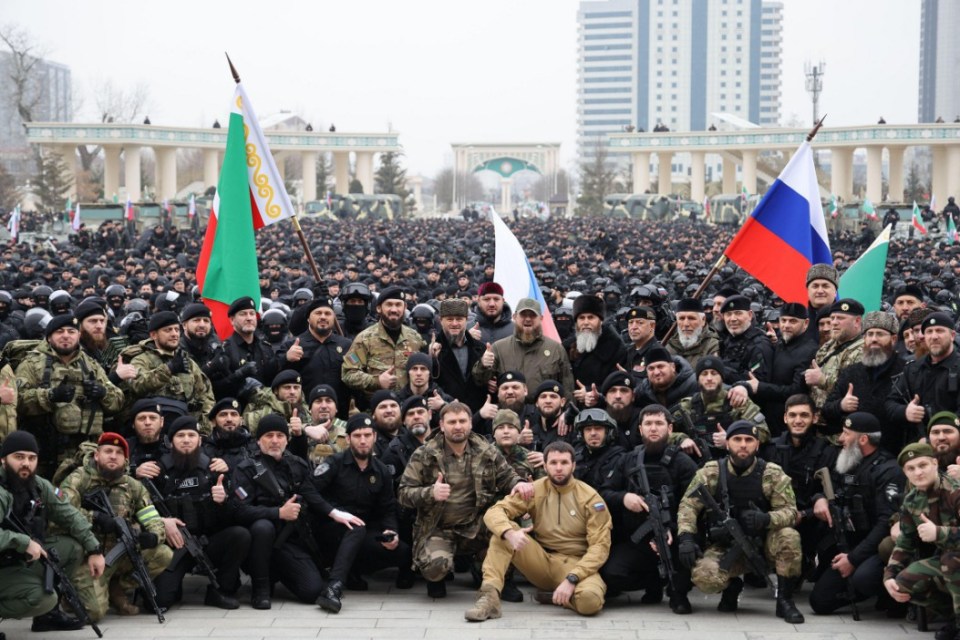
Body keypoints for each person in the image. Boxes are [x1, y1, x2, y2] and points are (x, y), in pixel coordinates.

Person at [397, 401, 533, 599]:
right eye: (452, 422)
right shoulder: (424, 454)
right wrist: (431, 493)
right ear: (442, 425)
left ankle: (501, 577)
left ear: (471, 423)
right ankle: (438, 578)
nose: (458, 426)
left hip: (476, 525)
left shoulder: (486, 451)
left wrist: (519, 483)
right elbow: (403, 494)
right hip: (439, 527)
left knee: (507, 528)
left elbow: (507, 477)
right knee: (436, 568)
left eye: (462, 421)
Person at [464, 441, 612, 621]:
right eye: (553, 463)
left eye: (564, 463)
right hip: (540, 560)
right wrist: (510, 533)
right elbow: (494, 512)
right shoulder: (535, 490)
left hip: (575, 564)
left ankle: (557, 596)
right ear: (545, 465)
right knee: (502, 534)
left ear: (573, 465)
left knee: (590, 602)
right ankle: (489, 599)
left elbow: (600, 547)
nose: (558, 468)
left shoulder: (590, 497)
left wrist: (572, 578)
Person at [676, 420, 805, 624]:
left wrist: (766, 519)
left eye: (749, 440)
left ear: (757, 445)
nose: (743, 444)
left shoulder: (772, 473)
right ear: (727, 444)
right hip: (726, 546)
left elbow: (791, 512)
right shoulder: (711, 472)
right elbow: (688, 506)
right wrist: (686, 537)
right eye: (737, 439)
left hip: (764, 545)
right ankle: (732, 587)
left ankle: (785, 600)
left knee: (789, 536)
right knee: (705, 578)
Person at [58, 432, 172, 620]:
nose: (113, 456)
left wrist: (153, 536)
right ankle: (71, 596)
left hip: (118, 555)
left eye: (119, 452)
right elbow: (63, 514)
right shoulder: (78, 479)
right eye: (108, 451)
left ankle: (116, 588)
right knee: (95, 614)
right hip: (88, 557)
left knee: (163, 554)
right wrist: (94, 517)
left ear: (125, 459)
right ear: (97, 455)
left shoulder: (133, 486)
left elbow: (152, 517)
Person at [0, 431, 106, 632]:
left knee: (71, 548)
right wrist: (23, 542)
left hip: (14, 559)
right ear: (3, 460)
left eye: (32, 458)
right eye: (19, 457)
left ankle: (48, 618)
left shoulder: (38, 485)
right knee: (42, 598)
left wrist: (95, 549)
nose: (26, 464)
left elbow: (69, 514)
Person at [311, 413, 414, 613]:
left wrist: (391, 532)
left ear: (374, 437)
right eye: (357, 436)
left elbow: (387, 508)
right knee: (357, 529)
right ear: (348, 439)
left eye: (367, 435)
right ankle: (334, 587)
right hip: (330, 529)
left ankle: (354, 570)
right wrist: (334, 513)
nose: (363, 440)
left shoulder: (381, 471)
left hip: (361, 531)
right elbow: (311, 492)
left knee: (402, 551)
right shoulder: (335, 463)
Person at [599, 405, 698, 612]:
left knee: (684, 568)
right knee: (611, 573)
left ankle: (677, 591)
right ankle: (652, 580)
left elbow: (695, 504)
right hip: (637, 539)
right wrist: (624, 497)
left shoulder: (683, 463)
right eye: (648, 424)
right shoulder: (628, 460)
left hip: (673, 538)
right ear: (640, 429)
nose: (654, 428)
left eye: (659, 423)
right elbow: (604, 493)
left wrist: (672, 527)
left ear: (670, 429)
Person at [808, 412, 904, 615]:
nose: (841, 438)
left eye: (846, 433)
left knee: (864, 579)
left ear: (863, 439)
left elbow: (885, 523)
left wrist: (853, 559)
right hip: (849, 541)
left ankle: (888, 595)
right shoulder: (848, 460)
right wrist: (819, 499)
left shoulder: (888, 470)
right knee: (820, 602)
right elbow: (825, 487)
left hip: (876, 547)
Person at [151, 416, 250, 610]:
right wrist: (162, 521)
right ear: (171, 441)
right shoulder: (158, 471)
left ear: (200, 440)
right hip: (175, 545)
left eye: (191, 435)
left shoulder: (213, 468)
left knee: (240, 535)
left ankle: (221, 590)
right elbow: (141, 507)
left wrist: (224, 499)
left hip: (207, 541)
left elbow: (235, 512)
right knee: (160, 600)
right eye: (180, 436)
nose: (186, 439)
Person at [229, 413, 326, 609]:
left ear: (287, 440)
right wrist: (277, 513)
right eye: (269, 435)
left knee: (312, 591)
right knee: (262, 527)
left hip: (287, 540)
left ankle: (278, 573)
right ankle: (261, 587)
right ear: (258, 440)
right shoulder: (246, 469)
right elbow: (239, 511)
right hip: (258, 541)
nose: (275, 441)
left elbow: (312, 498)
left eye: (280, 435)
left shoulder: (297, 465)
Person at [16, 313, 124, 477]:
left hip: (85, 452)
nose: (66, 336)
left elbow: (118, 400)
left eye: (71, 331)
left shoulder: (90, 365)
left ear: (79, 335)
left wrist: (103, 393)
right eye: (59, 331)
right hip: (45, 451)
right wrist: (49, 396)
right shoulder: (32, 364)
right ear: (49, 337)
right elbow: (17, 401)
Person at [883, 442, 960, 640]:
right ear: (905, 472)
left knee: (950, 559)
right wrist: (889, 576)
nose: (918, 472)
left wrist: (939, 534)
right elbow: (905, 542)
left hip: (953, 560)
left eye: (923, 465)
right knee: (904, 583)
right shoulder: (912, 500)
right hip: (948, 562)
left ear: (935, 463)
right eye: (911, 468)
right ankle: (954, 618)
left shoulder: (955, 491)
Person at [821, 311, 904, 453]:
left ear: (894, 339)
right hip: (854, 452)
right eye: (870, 334)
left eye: (880, 334)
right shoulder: (851, 372)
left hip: (892, 451)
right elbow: (827, 410)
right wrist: (841, 405)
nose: (874, 339)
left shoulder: (906, 370)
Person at [123, 310, 215, 430]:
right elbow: (137, 385)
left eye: (177, 330)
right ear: (153, 335)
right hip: (151, 428)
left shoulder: (188, 362)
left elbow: (205, 396)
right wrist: (169, 369)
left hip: (184, 428)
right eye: (168, 330)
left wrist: (203, 429)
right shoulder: (141, 359)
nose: (174, 334)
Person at [472, 297, 575, 404]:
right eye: (523, 315)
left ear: (541, 318)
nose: (528, 319)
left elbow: (567, 388)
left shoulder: (556, 349)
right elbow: (479, 381)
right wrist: (483, 364)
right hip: (510, 414)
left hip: (544, 415)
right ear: (514, 317)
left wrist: (566, 415)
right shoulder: (499, 348)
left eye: (532, 315)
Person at [342, 286, 426, 407]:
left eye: (398, 305)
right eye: (389, 305)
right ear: (379, 308)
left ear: (405, 308)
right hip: (376, 410)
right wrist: (377, 381)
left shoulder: (415, 338)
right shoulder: (365, 339)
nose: (394, 309)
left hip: (408, 410)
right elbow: (348, 373)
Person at [286, 296, 353, 420]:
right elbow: (272, 375)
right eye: (318, 313)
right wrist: (286, 358)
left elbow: (356, 374)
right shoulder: (293, 345)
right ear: (308, 318)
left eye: (328, 313)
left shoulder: (347, 345)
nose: (323, 317)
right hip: (303, 417)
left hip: (340, 417)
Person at [430, 299, 487, 413]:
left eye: (459, 319)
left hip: (478, 417)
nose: (455, 323)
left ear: (466, 320)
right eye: (450, 319)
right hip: (446, 416)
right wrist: (432, 359)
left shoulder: (481, 349)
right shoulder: (433, 349)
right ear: (441, 320)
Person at [565, 295, 626, 393]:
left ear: (600, 320)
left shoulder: (615, 346)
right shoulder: (567, 346)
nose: (586, 322)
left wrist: (590, 391)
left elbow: (615, 383)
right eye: (581, 318)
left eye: (590, 317)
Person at [573, 408, 626, 490]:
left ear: (609, 432)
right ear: (581, 434)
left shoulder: (620, 458)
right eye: (588, 429)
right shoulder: (575, 459)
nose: (593, 433)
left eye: (598, 428)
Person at [666, 299, 720, 373]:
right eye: (681, 318)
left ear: (703, 320)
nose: (686, 324)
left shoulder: (713, 345)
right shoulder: (670, 345)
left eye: (691, 318)